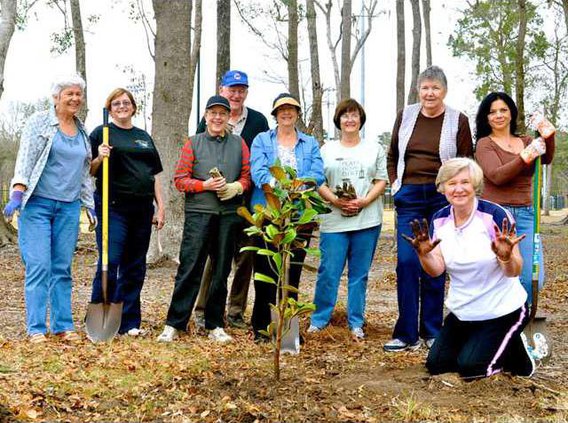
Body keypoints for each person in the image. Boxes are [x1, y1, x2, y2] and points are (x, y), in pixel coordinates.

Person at [405, 158, 536, 378]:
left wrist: (505, 257)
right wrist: (424, 254)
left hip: (502, 309)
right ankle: (486, 343)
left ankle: (517, 351)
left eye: (464, 182)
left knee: (472, 370)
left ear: (475, 185)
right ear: (442, 188)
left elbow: (514, 271)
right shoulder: (439, 220)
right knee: (438, 365)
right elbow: (436, 270)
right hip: (464, 311)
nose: (458, 189)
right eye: (451, 183)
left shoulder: (495, 216)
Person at [385, 65, 474, 352]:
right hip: (409, 195)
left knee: (435, 263)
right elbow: (392, 155)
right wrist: (397, 184)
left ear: (444, 91)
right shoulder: (406, 115)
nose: (430, 93)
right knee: (408, 263)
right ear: (418, 91)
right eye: (425, 87)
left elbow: (465, 161)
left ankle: (433, 331)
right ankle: (406, 332)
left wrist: (454, 192)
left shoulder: (457, 120)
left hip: (440, 197)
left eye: (435, 88)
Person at [3, 74, 94, 343]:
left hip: (68, 207)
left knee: (62, 267)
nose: (75, 98)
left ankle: (63, 325)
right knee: (39, 265)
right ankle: (35, 328)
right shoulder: (39, 122)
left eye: (78, 94)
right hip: (38, 206)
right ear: (56, 97)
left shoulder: (82, 130)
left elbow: (85, 171)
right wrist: (17, 193)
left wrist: (89, 205)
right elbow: (26, 158)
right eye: (69, 94)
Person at [157, 95, 251, 343]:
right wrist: (204, 185)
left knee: (221, 272)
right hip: (200, 214)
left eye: (223, 113)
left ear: (229, 116)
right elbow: (180, 180)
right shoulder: (193, 143)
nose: (218, 118)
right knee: (190, 269)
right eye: (213, 113)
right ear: (206, 117)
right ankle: (174, 323)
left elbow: (247, 177)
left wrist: (235, 188)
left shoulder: (239, 144)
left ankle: (214, 324)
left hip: (229, 215)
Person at [194, 70, 269, 329]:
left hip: (247, 202)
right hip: (216, 203)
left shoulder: (258, 121)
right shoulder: (211, 117)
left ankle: (235, 311)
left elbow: (263, 158)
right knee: (215, 258)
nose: (236, 94)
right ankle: (203, 309)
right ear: (222, 89)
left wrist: (239, 186)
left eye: (241, 90)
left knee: (246, 257)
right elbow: (199, 155)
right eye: (232, 89)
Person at [308, 99, 388, 340]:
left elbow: (381, 180)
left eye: (354, 115)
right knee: (329, 272)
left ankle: (356, 322)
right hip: (334, 220)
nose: (350, 120)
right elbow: (317, 181)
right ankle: (319, 319)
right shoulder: (326, 150)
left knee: (359, 274)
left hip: (366, 220)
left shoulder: (374, 148)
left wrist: (363, 201)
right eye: (345, 116)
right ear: (338, 121)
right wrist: (334, 200)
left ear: (361, 120)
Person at [89, 88, 165, 336]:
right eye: (116, 103)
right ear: (109, 109)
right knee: (110, 262)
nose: (122, 106)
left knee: (135, 266)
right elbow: (88, 171)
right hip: (113, 207)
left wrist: (160, 207)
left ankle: (129, 321)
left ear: (133, 107)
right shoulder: (102, 133)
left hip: (142, 209)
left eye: (126, 102)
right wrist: (100, 157)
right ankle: (102, 316)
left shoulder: (143, 137)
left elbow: (153, 175)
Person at [249, 93, 325, 342]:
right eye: (281, 109)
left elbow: (317, 173)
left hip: (299, 216)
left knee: (292, 274)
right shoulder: (262, 140)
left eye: (291, 109)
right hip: (269, 213)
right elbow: (258, 171)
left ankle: (289, 331)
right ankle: (263, 329)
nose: (286, 113)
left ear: (297, 113)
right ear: (275, 114)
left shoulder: (310, 143)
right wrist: (282, 189)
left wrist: (300, 189)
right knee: (266, 272)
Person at [474, 92, 555, 303]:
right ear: (486, 117)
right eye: (492, 112)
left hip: (526, 214)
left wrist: (548, 134)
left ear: (511, 113)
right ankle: (498, 324)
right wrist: (526, 155)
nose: (498, 115)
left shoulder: (526, 140)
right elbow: (497, 176)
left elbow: (546, 157)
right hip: (497, 215)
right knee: (499, 274)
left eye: (503, 110)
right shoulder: (485, 144)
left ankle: (521, 321)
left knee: (531, 278)